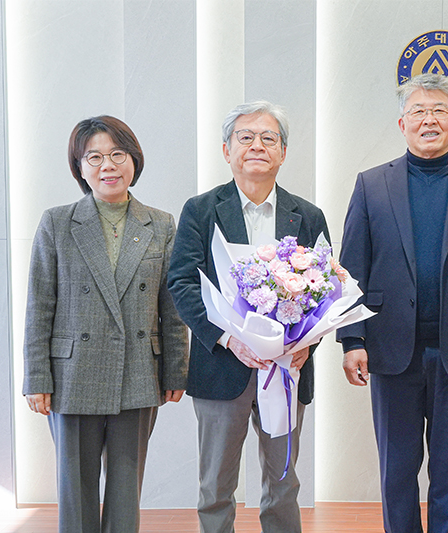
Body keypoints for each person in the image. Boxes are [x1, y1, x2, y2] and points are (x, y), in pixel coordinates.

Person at [336, 73, 448, 533]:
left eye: (439, 111)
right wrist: (352, 340)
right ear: (402, 123)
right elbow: (351, 269)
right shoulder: (371, 185)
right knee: (396, 470)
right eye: (418, 111)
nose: (428, 120)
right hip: (390, 349)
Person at [168, 101, 329, 533]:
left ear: (283, 152)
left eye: (268, 138)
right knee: (215, 487)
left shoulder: (308, 215)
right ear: (227, 150)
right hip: (221, 367)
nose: (257, 145)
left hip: (287, 370)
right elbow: (181, 283)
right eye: (246, 137)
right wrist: (228, 339)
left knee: (283, 484)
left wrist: (307, 344)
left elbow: (326, 289)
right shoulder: (201, 210)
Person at [22, 115, 189, 532]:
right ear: (79, 167)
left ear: (134, 161)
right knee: (75, 490)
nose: (107, 165)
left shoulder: (161, 224)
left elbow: (171, 307)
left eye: (117, 154)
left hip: (138, 370)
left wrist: (176, 371)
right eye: (94, 157)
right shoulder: (57, 222)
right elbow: (39, 305)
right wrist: (36, 377)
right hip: (71, 374)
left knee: (126, 488)